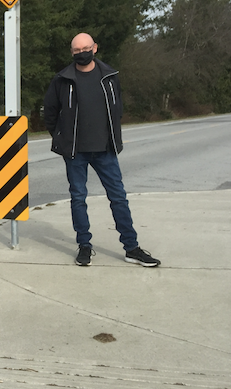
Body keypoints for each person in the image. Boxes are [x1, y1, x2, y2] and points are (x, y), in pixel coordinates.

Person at [43, 33, 160, 267]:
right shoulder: (62, 79)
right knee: (78, 199)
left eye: (86, 48)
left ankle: (132, 247)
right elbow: (49, 112)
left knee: (118, 198)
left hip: (105, 150)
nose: (82, 52)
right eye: (77, 50)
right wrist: (61, 137)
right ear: (72, 52)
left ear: (95, 48)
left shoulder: (109, 76)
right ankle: (84, 246)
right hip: (75, 152)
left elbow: (118, 107)